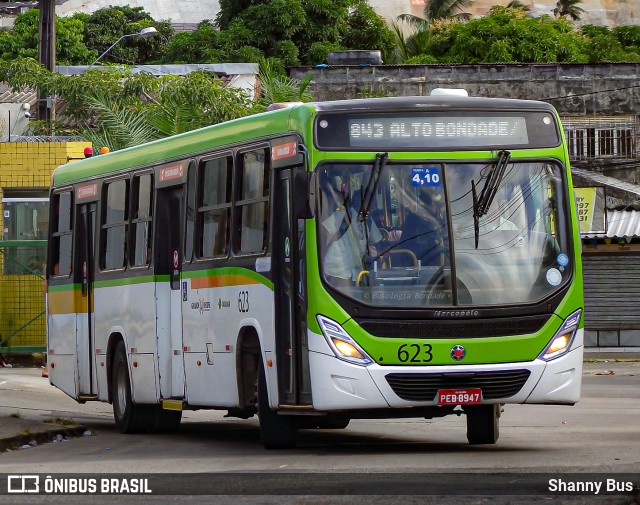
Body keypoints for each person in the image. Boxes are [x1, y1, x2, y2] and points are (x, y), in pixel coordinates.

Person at [322, 189, 383, 286]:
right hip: (336, 271)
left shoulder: (368, 220)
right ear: (358, 201)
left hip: (356, 273)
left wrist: (373, 250)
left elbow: (377, 241)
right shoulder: (343, 214)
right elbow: (323, 234)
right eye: (369, 202)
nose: (372, 207)